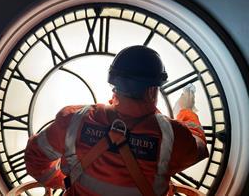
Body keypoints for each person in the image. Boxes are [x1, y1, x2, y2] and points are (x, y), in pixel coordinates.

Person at [24, 45, 209, 196]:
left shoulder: (74, 119)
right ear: (153, 90)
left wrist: (63, 181)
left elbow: (35, 158)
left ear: (113, 83)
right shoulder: (172, 135)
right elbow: (199, 147)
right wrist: (186, 111)